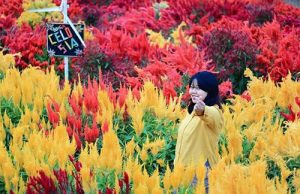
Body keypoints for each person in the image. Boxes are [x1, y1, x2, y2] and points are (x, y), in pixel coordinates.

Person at [174, 71, 224, 193]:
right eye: (191, 87)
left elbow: (211, 116)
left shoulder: (215, 112)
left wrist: (203, 110)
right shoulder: (191, 113)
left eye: (198, 88)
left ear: (209, 90)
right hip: (180, 171)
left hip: (199, 174)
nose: (193, 91)